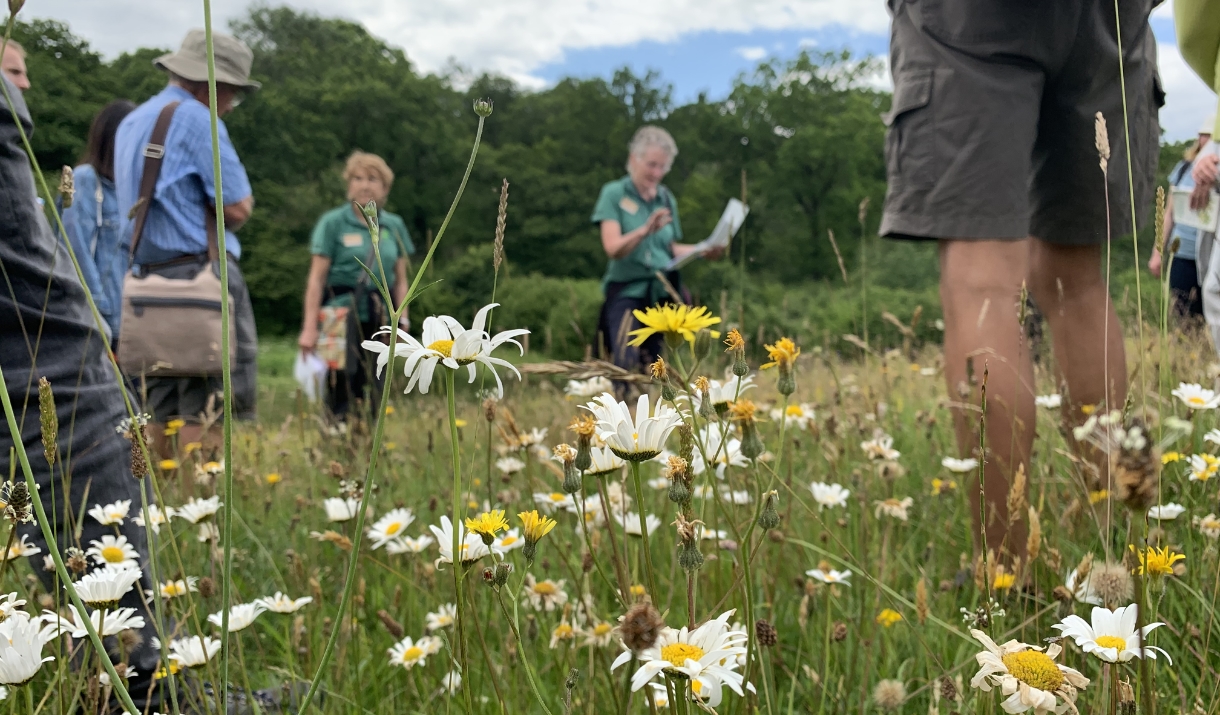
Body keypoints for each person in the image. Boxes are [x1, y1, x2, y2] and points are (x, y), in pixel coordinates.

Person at [881, 2, 1159, 564]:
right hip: (1109, 13)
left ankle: (1006, 575)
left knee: (983, 283)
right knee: (1077, 280)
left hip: (966, 19)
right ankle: (1116, 544)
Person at [0, 74, 162, 707]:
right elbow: (84, 257)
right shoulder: (87, 190)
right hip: (101, 315)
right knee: (52, 357)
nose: (29, 77)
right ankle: (136, 687)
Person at [114, 29, 259, 455]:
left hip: (146, 281)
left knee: (157, 399)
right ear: (211, 85)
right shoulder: (198, 118)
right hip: (200, 277)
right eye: (231, 92)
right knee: (208, 399)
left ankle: (157, 505)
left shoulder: (131, 121)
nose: (230, 104)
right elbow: (238, 208)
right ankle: (202, 508)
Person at [591, 126, 722, 373]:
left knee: (657, 364)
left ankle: (653, 408)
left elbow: (670, 248)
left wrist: (702, 249)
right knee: (625, 359)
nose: (657, 172)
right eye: (652, 165)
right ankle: (624, 405)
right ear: (633, 159)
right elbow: (612, 248)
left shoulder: (666, 198)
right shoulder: (614, 194)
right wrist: (644, 230)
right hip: (627, 290)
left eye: (663, 167)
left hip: (662, 290)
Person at [298, 151, 414, 420]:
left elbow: (401, 279)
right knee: (339, 383)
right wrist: (308, 327)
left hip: (381, 317)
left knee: (376, 382)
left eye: (373, 179)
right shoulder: (333, 223)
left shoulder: (393, 225)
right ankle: (336, 439)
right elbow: (316, 278)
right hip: (338, 314)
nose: (365, 185)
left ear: (385, 187)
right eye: (358, 178)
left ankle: (369, 443)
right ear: (349, 184)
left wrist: (403, 321)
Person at [61, 100, 137, 344]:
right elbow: (75, 249)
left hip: (133, 321)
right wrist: (97, 310)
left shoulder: (130, 191)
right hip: (100, 321)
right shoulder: (86, 180)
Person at [1150, 118, 1212, 321]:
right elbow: (1168, 213)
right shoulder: (1184, 168)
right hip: (1182, 251)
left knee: (1211, 312)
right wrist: (1157, 253)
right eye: (1204, 134)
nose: (1207, 139)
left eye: (1212, 135)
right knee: (1183, 312)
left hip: (1211, 253)